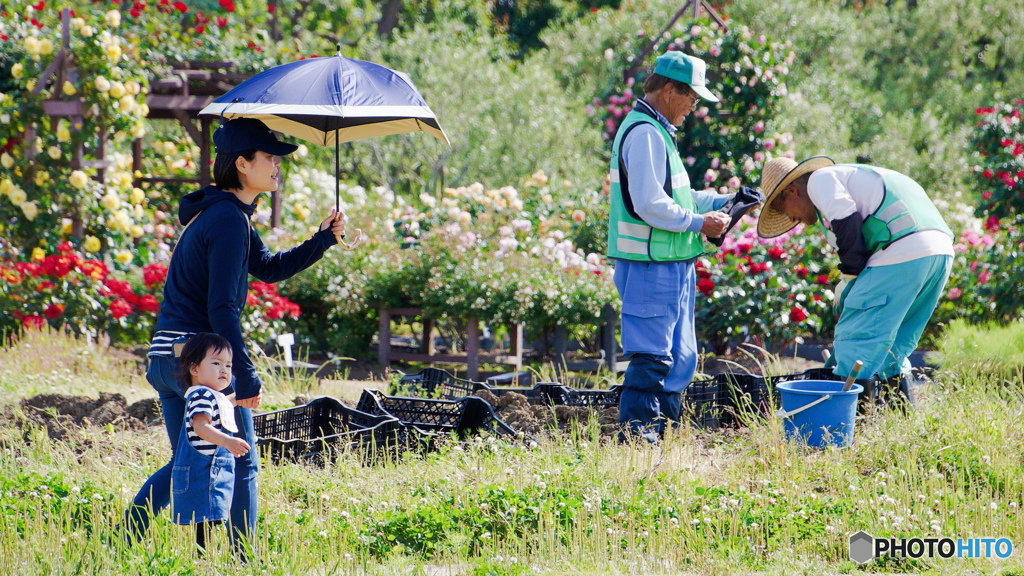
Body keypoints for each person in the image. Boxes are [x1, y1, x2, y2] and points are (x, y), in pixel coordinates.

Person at [123, 117, 348, 555]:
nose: (277, 166)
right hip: (198, 362)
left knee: (189, 459)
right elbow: (221, 309)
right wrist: (241, 376)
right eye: (269, 158)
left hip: (168, 360)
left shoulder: (227, 214)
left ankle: (122, 540)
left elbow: (269, 267)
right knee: (243, 458)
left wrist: (323, 239)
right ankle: (245, 557)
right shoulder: (227, 219)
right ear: (242, 164)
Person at [607, 51, 739, 441]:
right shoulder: (645, 133)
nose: (695, 106)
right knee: (653, 354)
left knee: (681, 356)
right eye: (692, 98)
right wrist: (701, 222)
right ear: (669, 90)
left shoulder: (659, 131)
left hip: (672, 261)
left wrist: (719, 201)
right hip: (649, 263)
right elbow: (650, 204)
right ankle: (638, 438)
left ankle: (663, 433)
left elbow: (675, 197)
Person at [756, 156, 953, 408]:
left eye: (787, 214)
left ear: (792, 191)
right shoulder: (858, 176)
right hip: (939, 254)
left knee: (857, 338)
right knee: (894, 346)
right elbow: (859, 239)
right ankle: (899, 421)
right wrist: (849, 283)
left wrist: (849, 280)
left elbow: (849, 227)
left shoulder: (820, 180)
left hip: (901, 252)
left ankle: (845, 424)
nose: (796, 221)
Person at [171, 333, 249, 555]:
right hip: (202, 473)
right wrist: (228, 441)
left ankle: (205, 559)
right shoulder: (202, 395)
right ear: (194, 369)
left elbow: (224, 404)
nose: (224, 370)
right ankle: (203, 559)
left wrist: (242, 398)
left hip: (212, 473)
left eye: (228, 365)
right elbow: (201, 427)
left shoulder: (212, 395)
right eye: (216, 363)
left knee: (211, 521)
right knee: (205, 523)